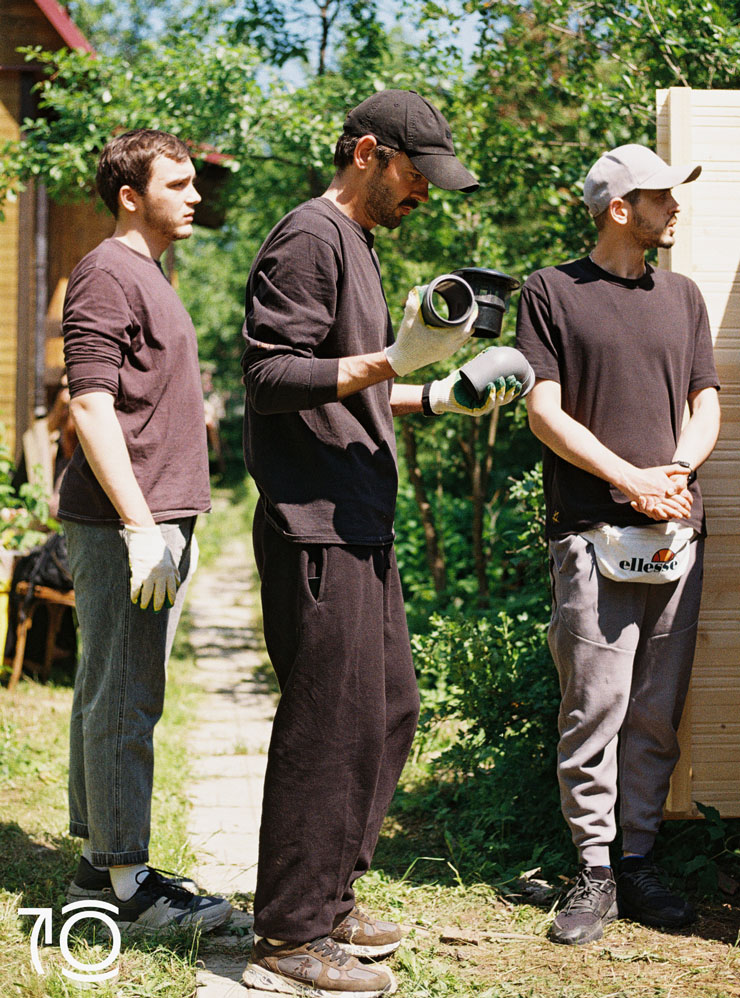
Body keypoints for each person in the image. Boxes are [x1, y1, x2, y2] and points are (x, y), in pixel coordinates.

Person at [240, 89, 525, 997]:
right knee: (327, 726)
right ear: (368, 151)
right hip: (314, 520)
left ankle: (330, 896)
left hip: (363, 519)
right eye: (416, 174)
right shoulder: (308, 237)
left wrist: (439, 395)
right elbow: (272, 375)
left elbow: (353, 387)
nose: (425, 196)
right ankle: (289, 931)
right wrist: (394, 362)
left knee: (389, 710)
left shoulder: (358, 246)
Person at [516, 143, 721, 946]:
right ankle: (593, 870)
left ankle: (638, 860)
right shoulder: (553, 293)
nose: (676, 208)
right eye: (663, 197)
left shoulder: (684, 296)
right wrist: (629, 479)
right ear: (619, 208)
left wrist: (673, 470)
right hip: (591, 531)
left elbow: (705, 400)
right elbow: (545, 412)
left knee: (657, 709)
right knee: (593, 704)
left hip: (675, 529)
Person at [59, 129, 232, 932]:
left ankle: (100, 862)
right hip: (130, 522)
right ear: (132, 194)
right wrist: (139, 527)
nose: (195, 195)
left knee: (108, 687)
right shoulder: (106, 272)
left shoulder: (149, 273)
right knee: (127, 695)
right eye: (180, 182)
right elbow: (90, 404)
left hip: (154, 515)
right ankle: (129, 884)